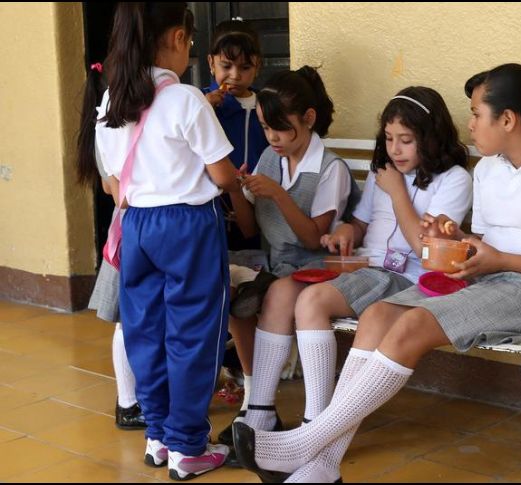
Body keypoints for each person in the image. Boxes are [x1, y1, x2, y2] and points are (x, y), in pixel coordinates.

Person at [233, 62, 521, 483]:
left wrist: (500, 260)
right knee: (377, 315)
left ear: (507, 119)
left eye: (476, 114)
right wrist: (451, 237)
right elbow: (482, 246)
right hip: (492, 281)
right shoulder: (489, 169)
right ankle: (323, 466)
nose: (470, 126)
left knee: (413, 323)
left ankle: (307, 444)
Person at [92, 3, 242, 480]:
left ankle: (157, 436)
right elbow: (222, 175)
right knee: (193, 335)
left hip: (136, 226)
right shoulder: (185, 100)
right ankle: (188, 446)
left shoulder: (114, 97)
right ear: (178, 38)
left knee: (146, 331)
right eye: (192, 43)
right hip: (187, 226)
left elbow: (111, 180)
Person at [287, 86, 472, 443]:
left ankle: (320, 429)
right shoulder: (383, 172)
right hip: (371, 270)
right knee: (308, 300)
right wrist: (345, 231)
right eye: (388, 138)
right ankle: (317, 416)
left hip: (413, 280)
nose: (395, 149)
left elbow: (426, 251)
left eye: (406, 139)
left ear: (430, 138)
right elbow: (361, 224)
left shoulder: (454, 180)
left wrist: (398, 191)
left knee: (319, 302)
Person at [214, 66, 360, 446]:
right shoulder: (268, 158)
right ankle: (258, 408)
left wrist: (278, 193)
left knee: (277, 293)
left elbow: (314, 238)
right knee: (228, 289)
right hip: (277, 264)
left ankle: (267, 413)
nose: (272, 138)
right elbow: (249, 228)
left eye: (280, 127)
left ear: (309, 119)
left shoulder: (331, 169)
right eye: (265, 127)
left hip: (317, 267)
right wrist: (234, 189)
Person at [76, 61, 146, 432]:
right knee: (125, 320)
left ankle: (134, 399)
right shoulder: (110, 130)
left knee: (132, 319)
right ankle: (128, 402)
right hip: (129, 235)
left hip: (130, 233)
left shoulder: (113, 126)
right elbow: (115, 189)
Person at [202, 18, 269, 251]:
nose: (235, 76)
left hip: (258, 207)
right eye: (226, 66)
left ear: (257, 65)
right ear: (211, 63)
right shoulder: (198, 103)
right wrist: (204, 108)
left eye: (245, 67)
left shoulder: (266, 105)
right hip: (212, 210)